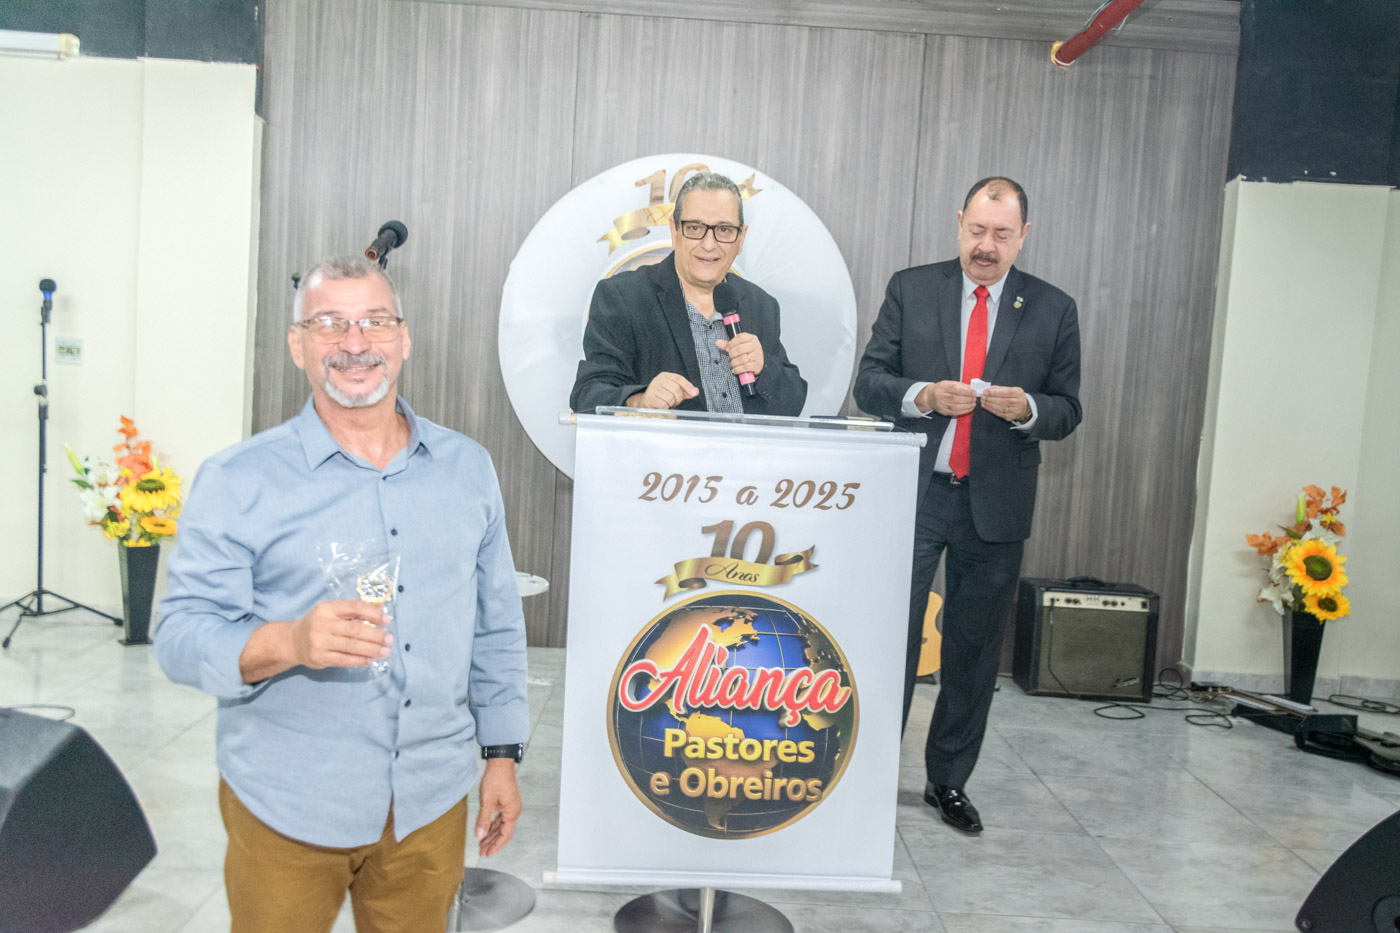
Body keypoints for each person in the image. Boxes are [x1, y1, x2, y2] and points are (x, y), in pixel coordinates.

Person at [155, 256, 530, 932]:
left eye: (375, 322)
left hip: (430, 802)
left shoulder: (467, 469)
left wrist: (501, 756)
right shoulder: (238, 480)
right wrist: (290, 641)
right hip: (288, 806)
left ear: (404, 338)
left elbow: (495, 624)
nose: (355, 343)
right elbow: (180, 637)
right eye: (329, 324)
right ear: (297, 344)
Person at [854, 177, 1081, 834]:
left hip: (996, 504)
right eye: (977, 230)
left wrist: (1028, 408)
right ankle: (867, 778)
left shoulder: (1053, 308)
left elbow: (1068, 408)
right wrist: (922, 396)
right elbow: (869, 383)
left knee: (974, 650)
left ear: (1023, 236)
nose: (986, 245)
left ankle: (947, 781)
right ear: (959, 222)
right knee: (888, 639)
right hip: (914, 495)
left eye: (1002, 234)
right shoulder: (911, 288)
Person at [570, 171, 807, 415]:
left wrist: (764, 368)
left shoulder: (761, 304)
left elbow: (793, 403)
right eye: (695, 228)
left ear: (740, 238)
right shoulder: (624, 297)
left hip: (749, 442)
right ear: (674, 232)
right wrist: (640, 401)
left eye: (724, 230)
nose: (709, 244)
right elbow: (588, 393)